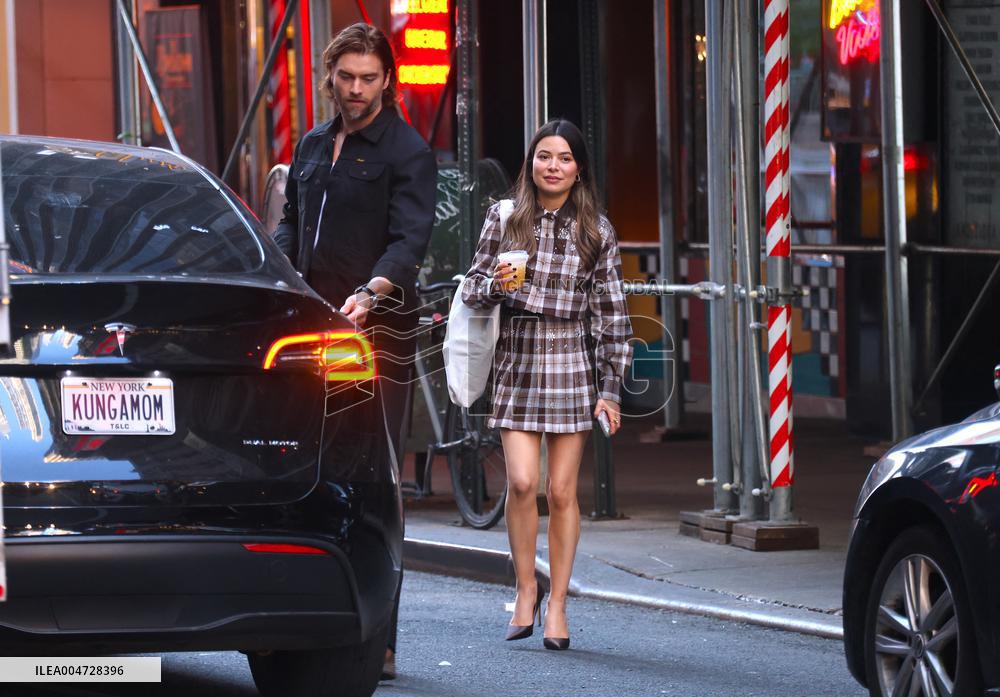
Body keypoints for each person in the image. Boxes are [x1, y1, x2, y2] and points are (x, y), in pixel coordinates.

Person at [273, 22, 437, 680]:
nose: (358, 89)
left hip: (378, 330)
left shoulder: (407, 150)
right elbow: (289, 219)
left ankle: (380, 640)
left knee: (371, 479)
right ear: (330, 76)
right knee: (301, 470)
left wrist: (372, 291)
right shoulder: (313, 143)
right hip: (309, 326)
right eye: (347, 77)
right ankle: (300, 626)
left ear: (387, 80)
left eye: (370, 78)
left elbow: (411, 239)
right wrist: (276, 270)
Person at [461, 119, 633, 650]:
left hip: (571, 362)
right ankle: (525, 588)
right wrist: (495, 284)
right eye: (543, 156)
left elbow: (612, 314)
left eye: (563, 158)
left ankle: (557, 604)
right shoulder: (504, 217)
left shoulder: (596, 230)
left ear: (579, 169)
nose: (552, 166)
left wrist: (610, 388)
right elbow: (470, 289)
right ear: (530, 162)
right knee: (520, 483)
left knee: (561, 492)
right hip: (517, 356)